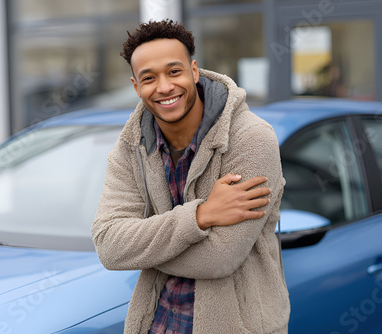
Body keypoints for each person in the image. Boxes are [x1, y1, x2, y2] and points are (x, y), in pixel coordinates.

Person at [91, 19, 290, 334]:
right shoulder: (132, 146)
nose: (165, 87)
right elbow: (109, 245)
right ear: (135, 86)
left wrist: (142, 250)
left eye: (174, 71)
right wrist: (200, 215)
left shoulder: (252, 139)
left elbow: (219, 258)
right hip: (156, 324)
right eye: (149, 78)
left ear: (194, 71)